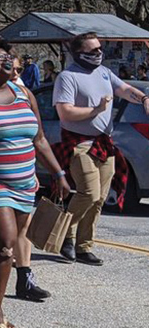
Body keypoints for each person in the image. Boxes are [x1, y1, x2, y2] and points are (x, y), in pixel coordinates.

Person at [0, 36, 70, 328]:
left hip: (24, 185)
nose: (9, 62)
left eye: (11, 58)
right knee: (5, 245)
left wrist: (58, 173)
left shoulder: (24, 94)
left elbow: (38, 140)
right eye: (0, 58)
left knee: (4, 248)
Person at [53, 31, 149, 265]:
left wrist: (144, 98)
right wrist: (96, 110)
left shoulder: (104, 73)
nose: (98, 54)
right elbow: (65, 112)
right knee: (89, 193)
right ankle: (65, 233)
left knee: (101, 199)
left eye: (99, 49)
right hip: (79, 143)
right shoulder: (68, 77)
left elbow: (125, 90)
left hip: (104, 143)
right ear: (79, 53)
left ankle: (84, 246)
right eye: (93, 50)